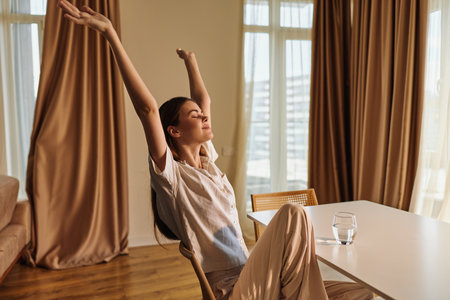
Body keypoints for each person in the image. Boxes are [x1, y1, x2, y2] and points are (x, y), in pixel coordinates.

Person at [57, 1, 373, 299]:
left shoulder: (209, 162)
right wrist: (111, 34)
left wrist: (191, 62)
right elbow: (147, 109)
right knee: (293, 212)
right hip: (235, 290)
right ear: (174, 132)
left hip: (258, 276)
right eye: (194, 116)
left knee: (363, 293)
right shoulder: (172, 177)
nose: (204, 116)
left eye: (202, 113)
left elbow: (204, 100)